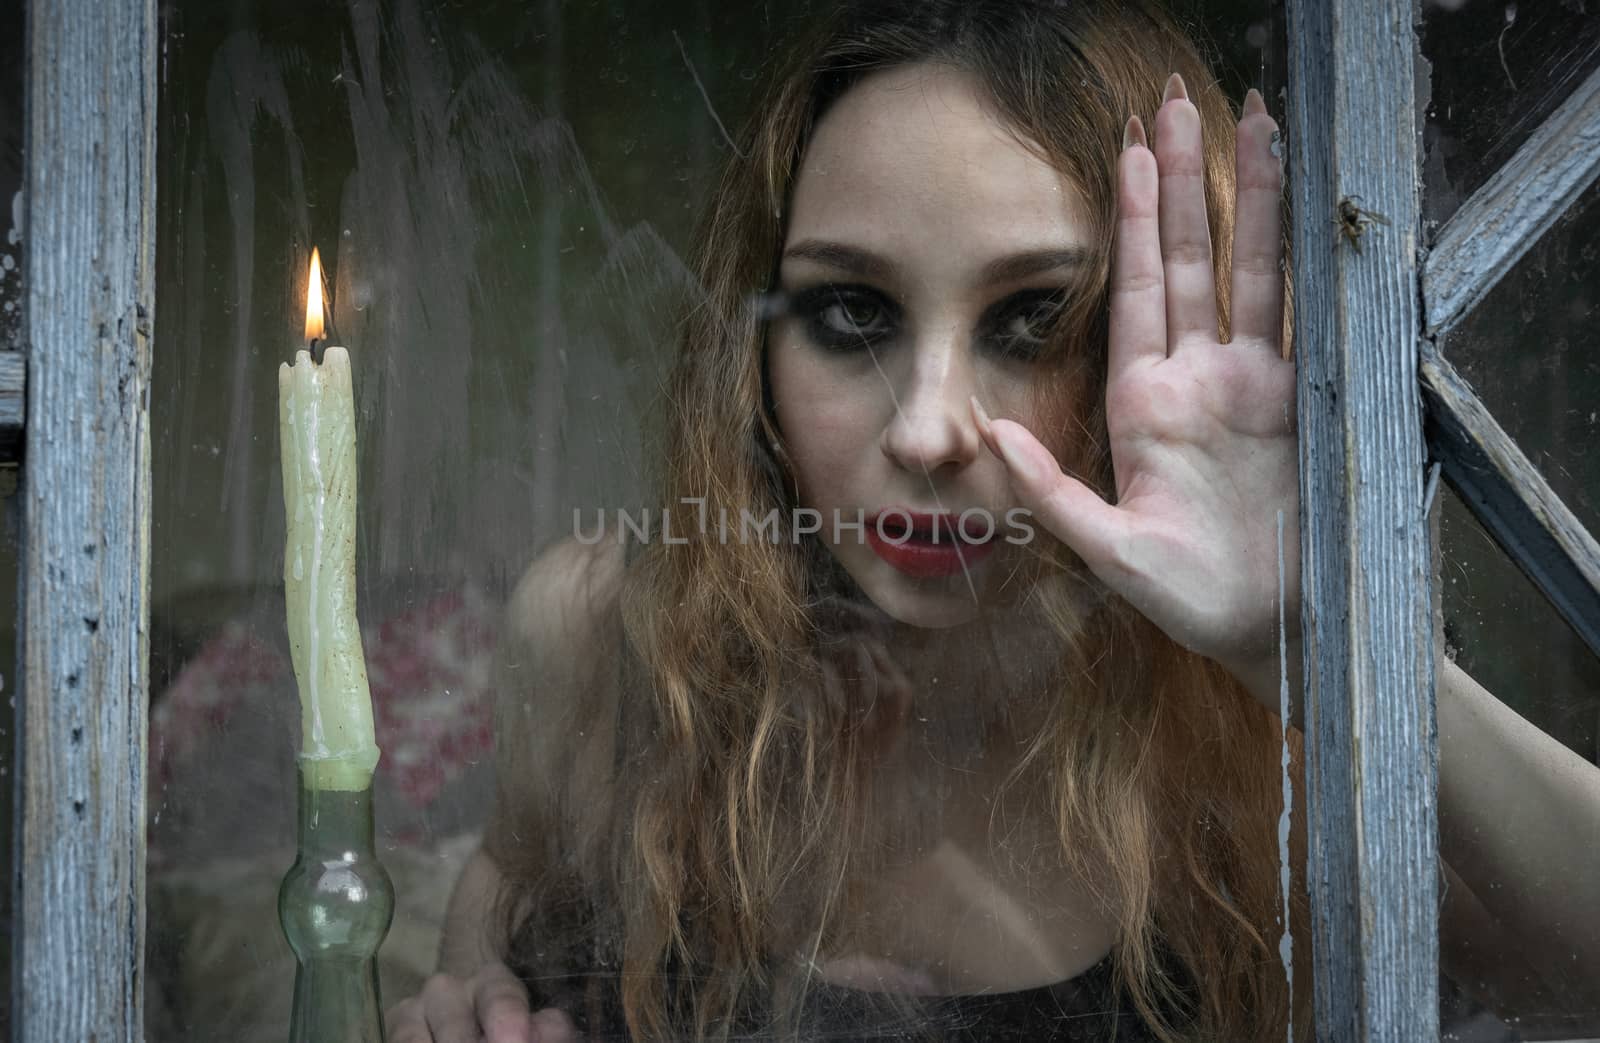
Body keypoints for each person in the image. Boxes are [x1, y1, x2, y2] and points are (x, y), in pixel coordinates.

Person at [386, 1, 1600, 1039]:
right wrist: (470, 987)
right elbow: (514, 872)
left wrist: (1314, 640)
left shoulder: (1249, 733)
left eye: (1034, 321)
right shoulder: (612, 636)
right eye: (851, 313)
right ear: (755, 349)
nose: (926, 431)